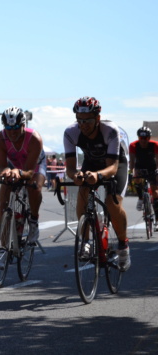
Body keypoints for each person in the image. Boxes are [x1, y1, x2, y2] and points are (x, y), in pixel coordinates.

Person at [63, 96, 131, 272]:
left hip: (116, 163)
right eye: (80, 120)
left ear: (98, 118)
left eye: (88, 121)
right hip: (91, 162)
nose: (83, 124)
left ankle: (123, 246)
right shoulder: (70, 132)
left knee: (112, 203)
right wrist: (75, 175)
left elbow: (113, 167)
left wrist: (98, 175)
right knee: (82, 193)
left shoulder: (110, 131)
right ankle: (86, 241)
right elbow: (69, 168)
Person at [0, 107, 46, 268]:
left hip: (34, 166)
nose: (12, 132)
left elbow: (29, 172)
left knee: (33, 187)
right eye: (8, 128)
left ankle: (34, 221)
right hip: (14, 165)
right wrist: (6, 172)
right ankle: (3, 249)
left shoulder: (34, 138)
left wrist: (19, 172)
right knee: (3, 204)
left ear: (23, 125)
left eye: (15, 128)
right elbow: (2, 167)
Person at [129, 126, 158, 231]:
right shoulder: (133, 145)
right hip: (140, 167)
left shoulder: (154, 145)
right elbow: (132, 162)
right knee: (136, 178)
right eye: (141, 138)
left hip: (152, 168)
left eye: (145, 138)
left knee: (155, 192)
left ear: (149, 138)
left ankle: (157, 220)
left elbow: (157, 160)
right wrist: (131, 172)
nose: (143, 141)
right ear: (138, 138)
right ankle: (141, 198)